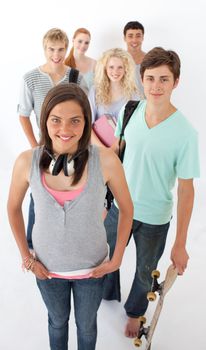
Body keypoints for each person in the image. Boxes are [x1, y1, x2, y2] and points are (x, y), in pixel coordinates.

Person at [8, 83, 133, 350]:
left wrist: (118, 258)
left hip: (93, 269)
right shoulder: (25, 162)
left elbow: (127, 208)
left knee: (87, 326)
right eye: (56, 120)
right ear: (45, 122)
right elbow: (12, 208)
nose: (65, 130)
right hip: (46, 269)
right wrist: (27, 259)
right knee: (56, 322)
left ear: (86, 123)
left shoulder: (107, 161)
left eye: (75, 120)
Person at [103, 47, 200, 338]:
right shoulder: (129, 110)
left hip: (155, 218)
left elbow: (186, 190)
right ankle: (107, 294)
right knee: (106, 255)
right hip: (120, 207)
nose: (156, 86)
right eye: (150, 78)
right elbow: (116, 153)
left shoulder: (186, 134)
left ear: (176, 82)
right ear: (141, 80)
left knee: (146, 272)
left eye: (164, 79)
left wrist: (180, 242)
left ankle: (135, 312)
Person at [18, 27, 88, 249]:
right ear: (44, 49)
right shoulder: (30, 78)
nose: (56, 54)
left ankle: (68, 238)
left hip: (72, 145)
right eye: (51, 49)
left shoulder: (76, 78)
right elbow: (23, 115)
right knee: (38, 190)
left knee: (72, 190)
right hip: (45, 146)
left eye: (60, 49)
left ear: (66, 49)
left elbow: (85, 112)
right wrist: (34, 147)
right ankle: (31, 242)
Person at [88, 47, 140, 146]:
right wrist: (104, 150)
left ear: (126, 69)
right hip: (98, 149)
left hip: (124, 150)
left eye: (120, 67)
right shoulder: (95, 91)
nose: (115, 71)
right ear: (105, 68)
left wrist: (117, 148)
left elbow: (135, 128)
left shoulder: (134, 95)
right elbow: (88, 125)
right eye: (111, 67)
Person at [123, 21, 146, 97]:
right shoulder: (119, 60)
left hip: (146, 105)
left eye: (138, 36)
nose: (134, 40)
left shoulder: (150, 60)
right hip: (125, 105)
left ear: (143, 37)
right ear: (124, 38)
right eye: (130, 36)